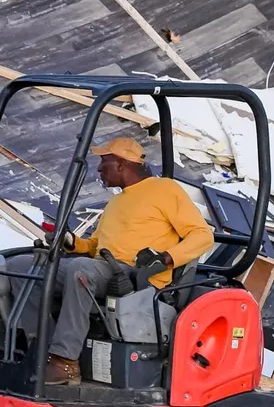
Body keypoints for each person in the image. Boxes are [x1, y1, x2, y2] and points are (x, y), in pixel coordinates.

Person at [30, 137, 215, 385]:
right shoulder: (116, 202)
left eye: (104, 162)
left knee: (80, 271)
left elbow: (203, 236)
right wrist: (72, 242)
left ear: (121, 164)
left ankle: (65, 363)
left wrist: (165, 257)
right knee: (28, 267)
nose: (98, 169)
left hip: (136, 275)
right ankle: (36, 347)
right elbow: (94, 246)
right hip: (103, 267)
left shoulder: (165, 190)